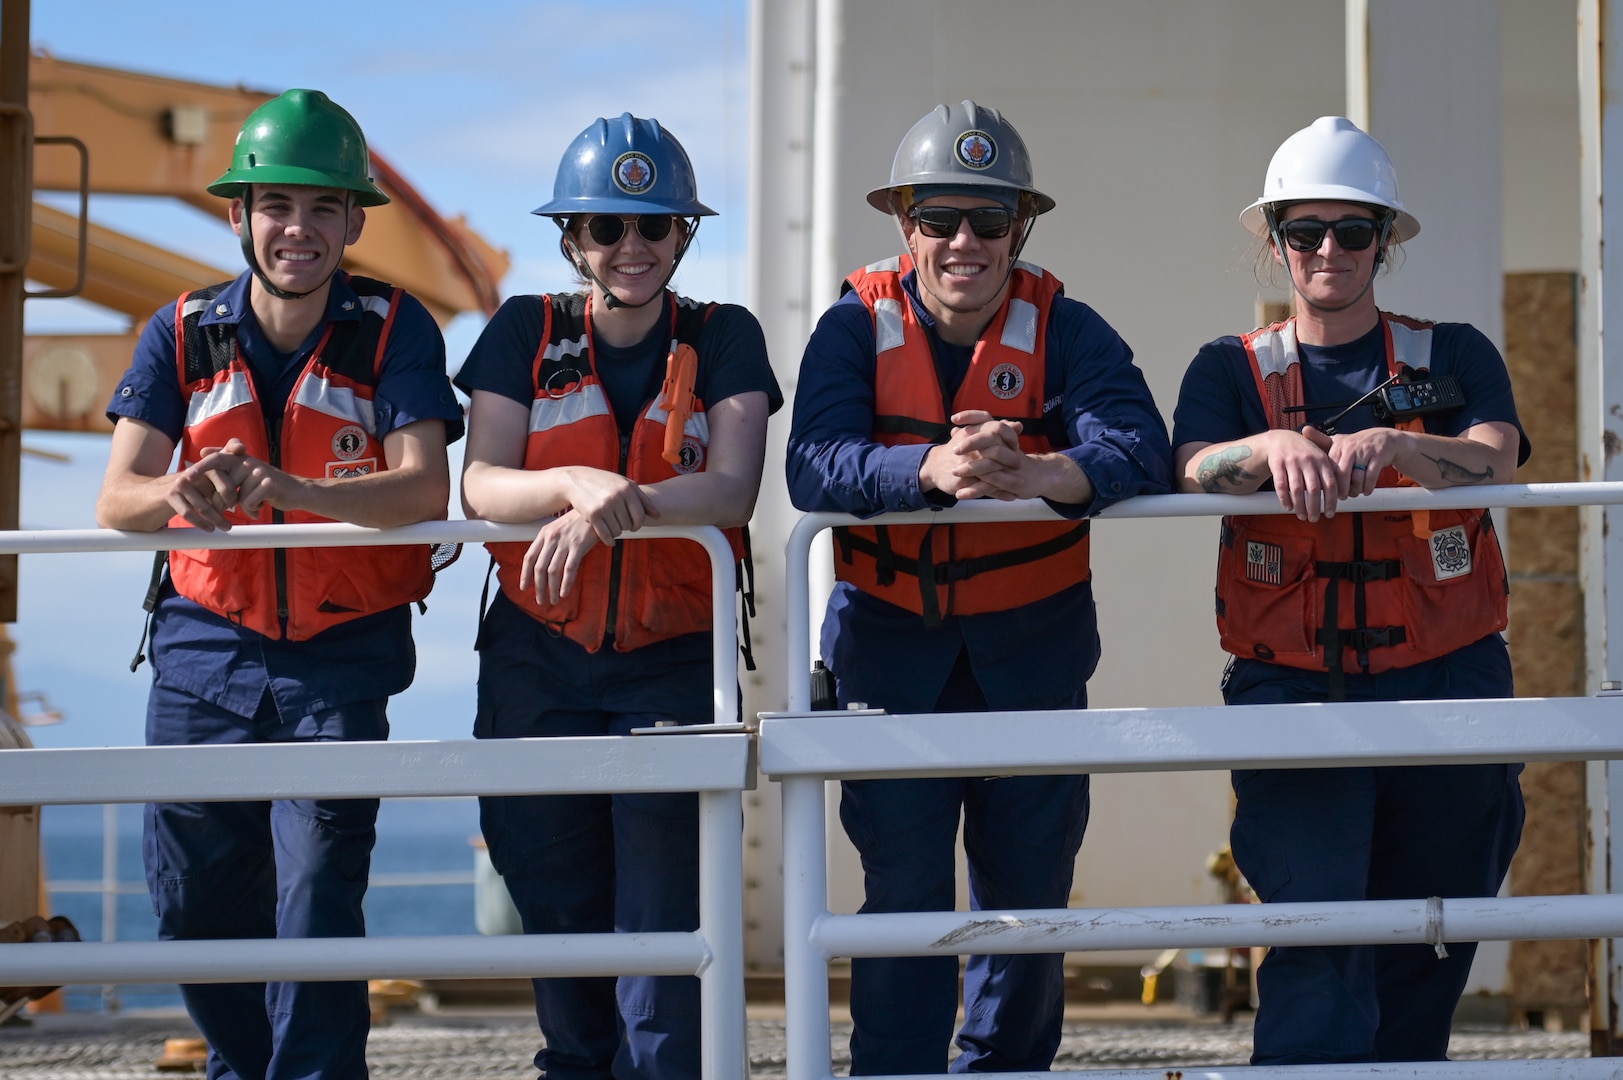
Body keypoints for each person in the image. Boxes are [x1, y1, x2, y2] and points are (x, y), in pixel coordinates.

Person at [786, 100, 1172, 1074]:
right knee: (904, 899)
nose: (965, 241)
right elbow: (812, 465)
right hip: (890, 659)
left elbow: (1140, 448)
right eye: (940, 219)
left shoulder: (1069, 331)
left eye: (989, 221)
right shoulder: (849, 329)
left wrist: (1043, 477)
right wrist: (928, 475)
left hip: (1032, 656)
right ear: (904, 225)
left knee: (1029, 901)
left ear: (1021, 230)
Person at [95, 89, 461, 1080]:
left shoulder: (395, 331)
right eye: (277, 206)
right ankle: (245, 1070)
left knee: (317, 896)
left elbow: (426, 485)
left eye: (322, 209)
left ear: (351, 222)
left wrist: (297, 488)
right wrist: (178, 491)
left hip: (340, 660)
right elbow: (115, 501)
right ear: (238, 216)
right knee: (192, 909)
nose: (297, 229)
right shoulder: (178, 331)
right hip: (201, 654)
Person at [1171, 116, 1528, 1064]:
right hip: (1293, 687)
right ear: (1275, 242)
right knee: (1314, 942)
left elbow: (1495, 457)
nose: (1328, 251)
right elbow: (1191, 464)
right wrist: (1264, 448)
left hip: (1448, 685)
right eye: (1304, 232)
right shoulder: (1227, 371)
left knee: (1432, 937)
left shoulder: (1452, 356)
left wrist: (1407, 445)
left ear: (1384, 242)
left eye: (1352, 232)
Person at [456, 114, 780, 1080]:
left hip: (671, 656)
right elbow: (481, 483)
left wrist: (612, 507)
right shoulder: (522, 330)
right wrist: (572, 486)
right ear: (571, 241)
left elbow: (730, 489)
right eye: (605, 228)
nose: (629, 248)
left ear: (684, 236)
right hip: (535, 656)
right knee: (552, 893)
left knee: (659, 909)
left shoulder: (726, 338)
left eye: (653, 227)